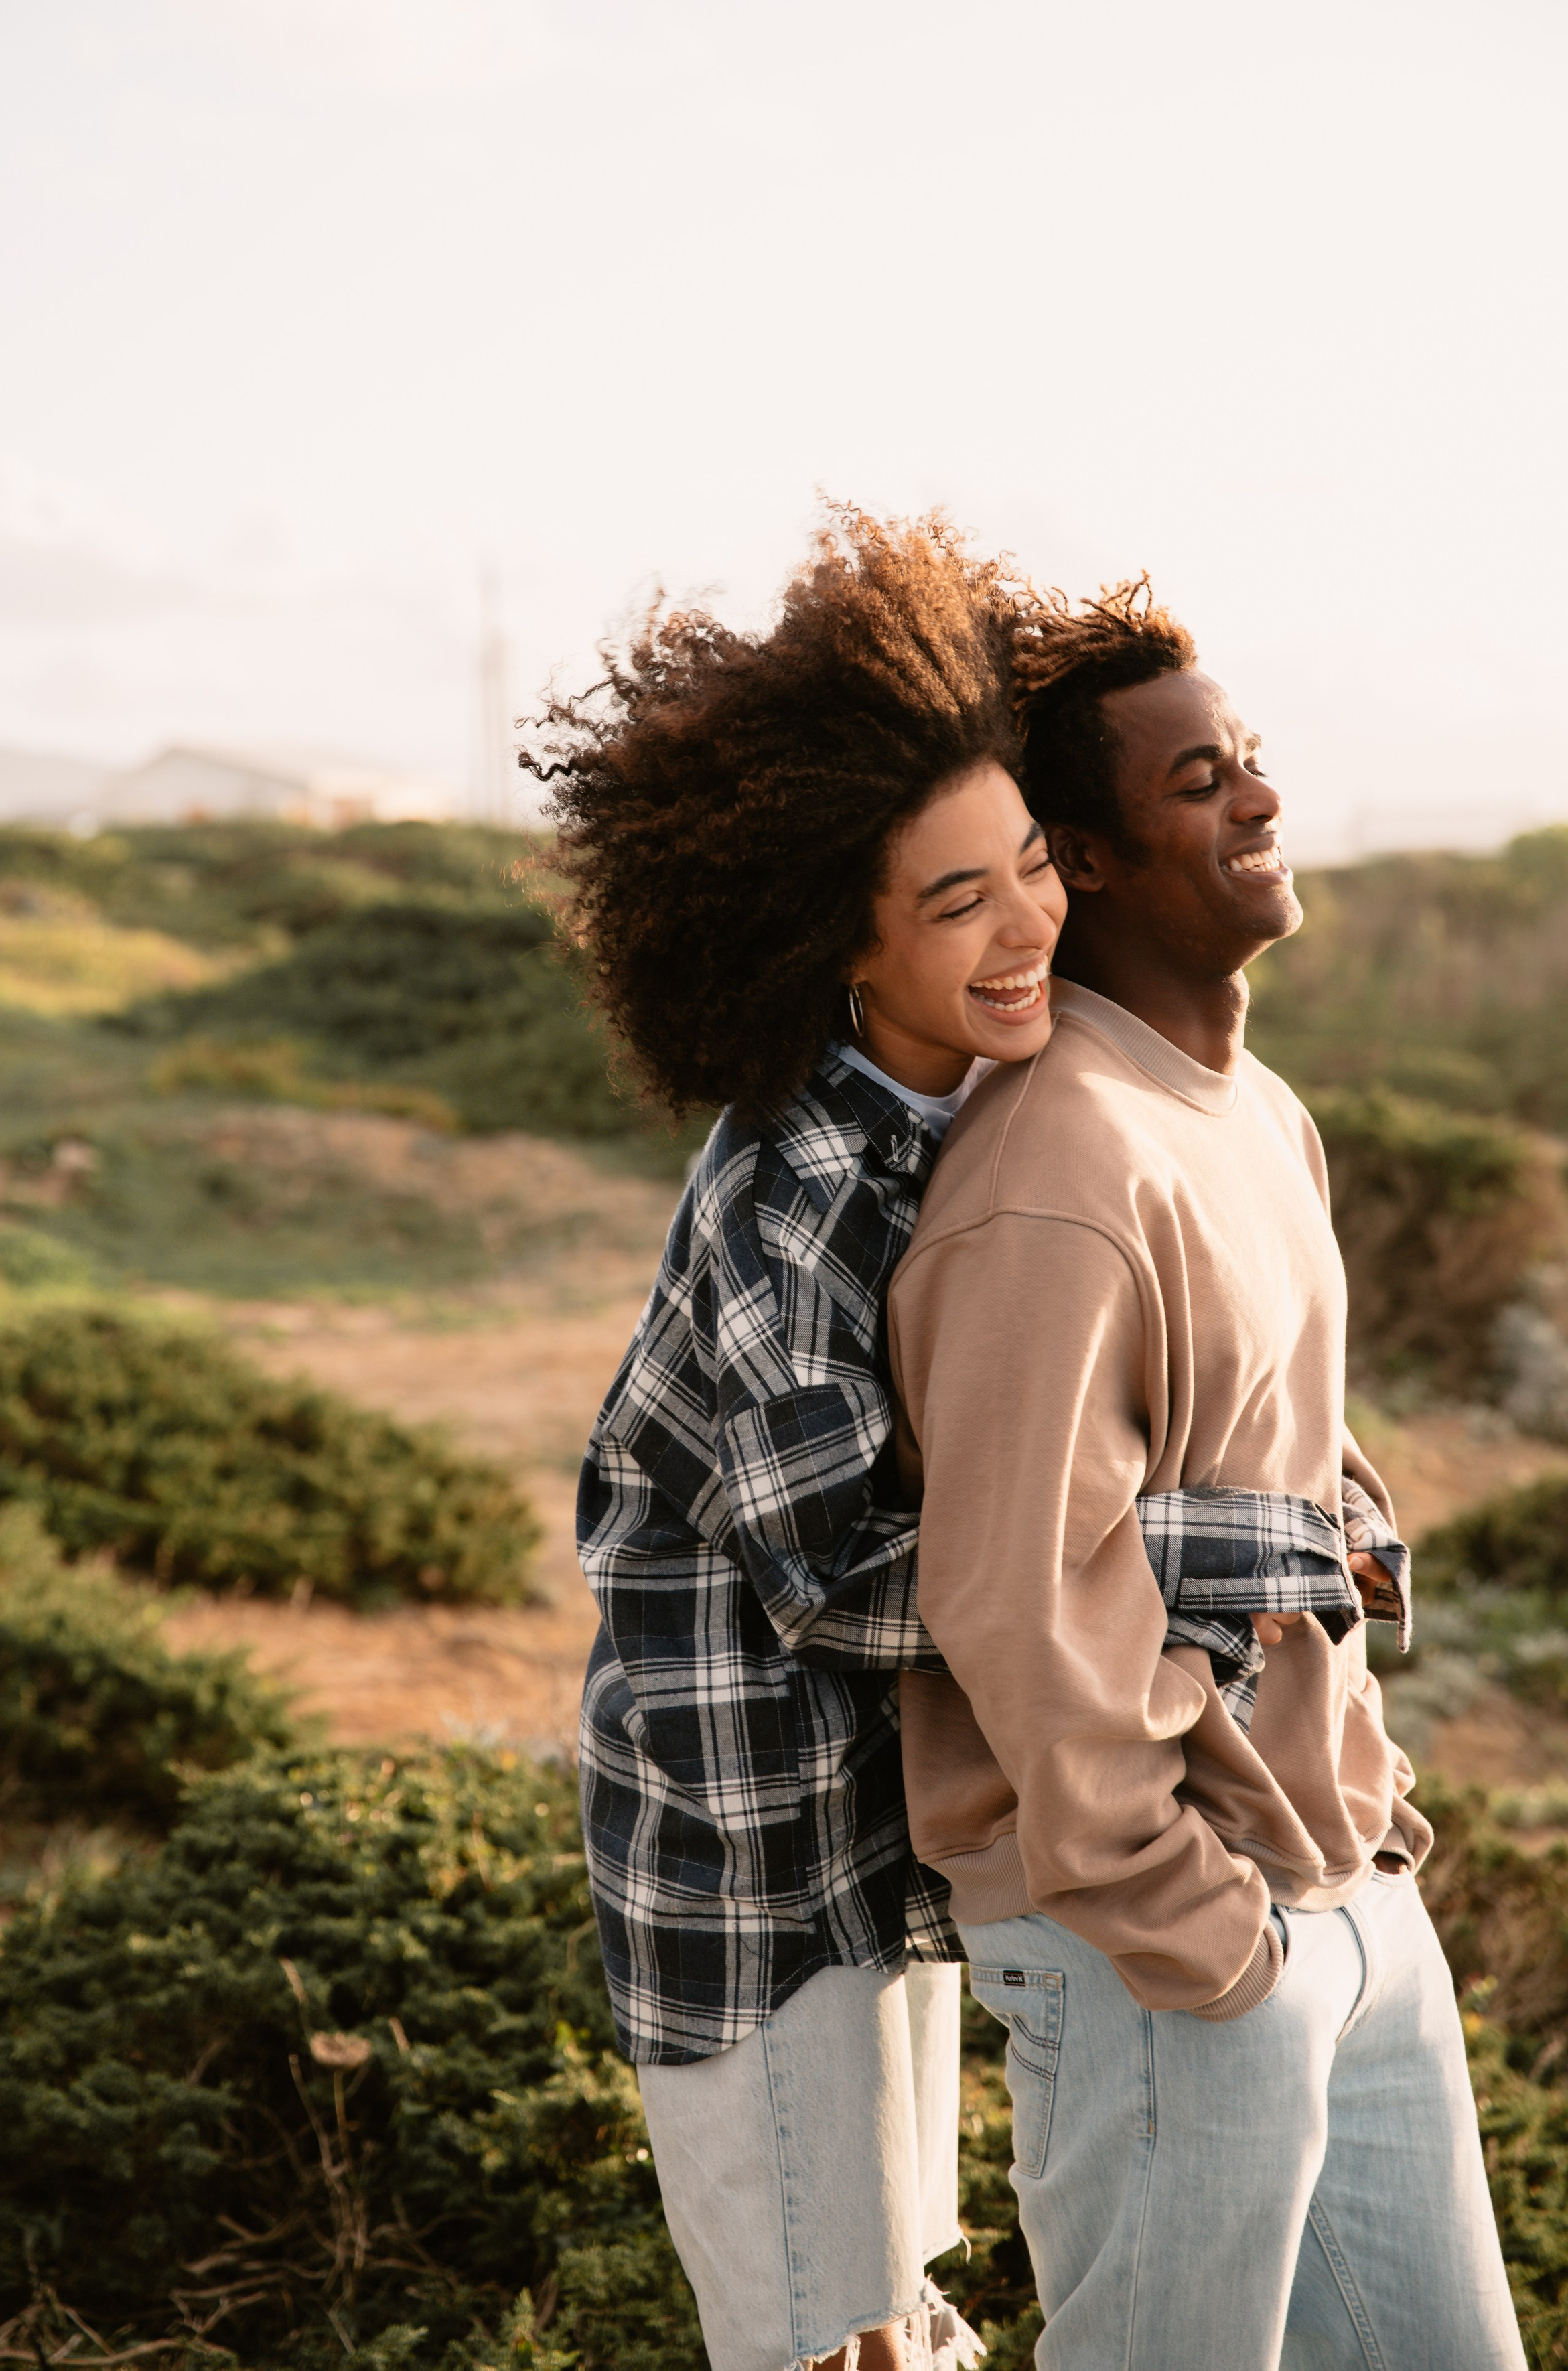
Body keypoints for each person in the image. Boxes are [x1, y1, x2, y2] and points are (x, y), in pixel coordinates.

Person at [887, 581, 1525, 2369]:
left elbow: (1297, 1486)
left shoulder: (1256, 1108)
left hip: (1342, 1890)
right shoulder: (1055, 1171)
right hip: (1166, 1950)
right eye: (1198, 781)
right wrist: (1189, 1924)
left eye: (1246, 759)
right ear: (1081, 861)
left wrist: (1364, 1825)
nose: (1256, 797)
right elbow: (1013, 1592)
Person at [522, 510, 1068, 2371]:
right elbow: (837, 1584)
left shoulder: (971, 1110)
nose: (1029, 923)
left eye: (1036, 862)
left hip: (873, 1850)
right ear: (841, 938)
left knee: (905, 2316)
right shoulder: (794, 1202)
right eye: (959, 900)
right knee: (828, 2349)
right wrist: (1171, 1581)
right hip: (754, 1886)